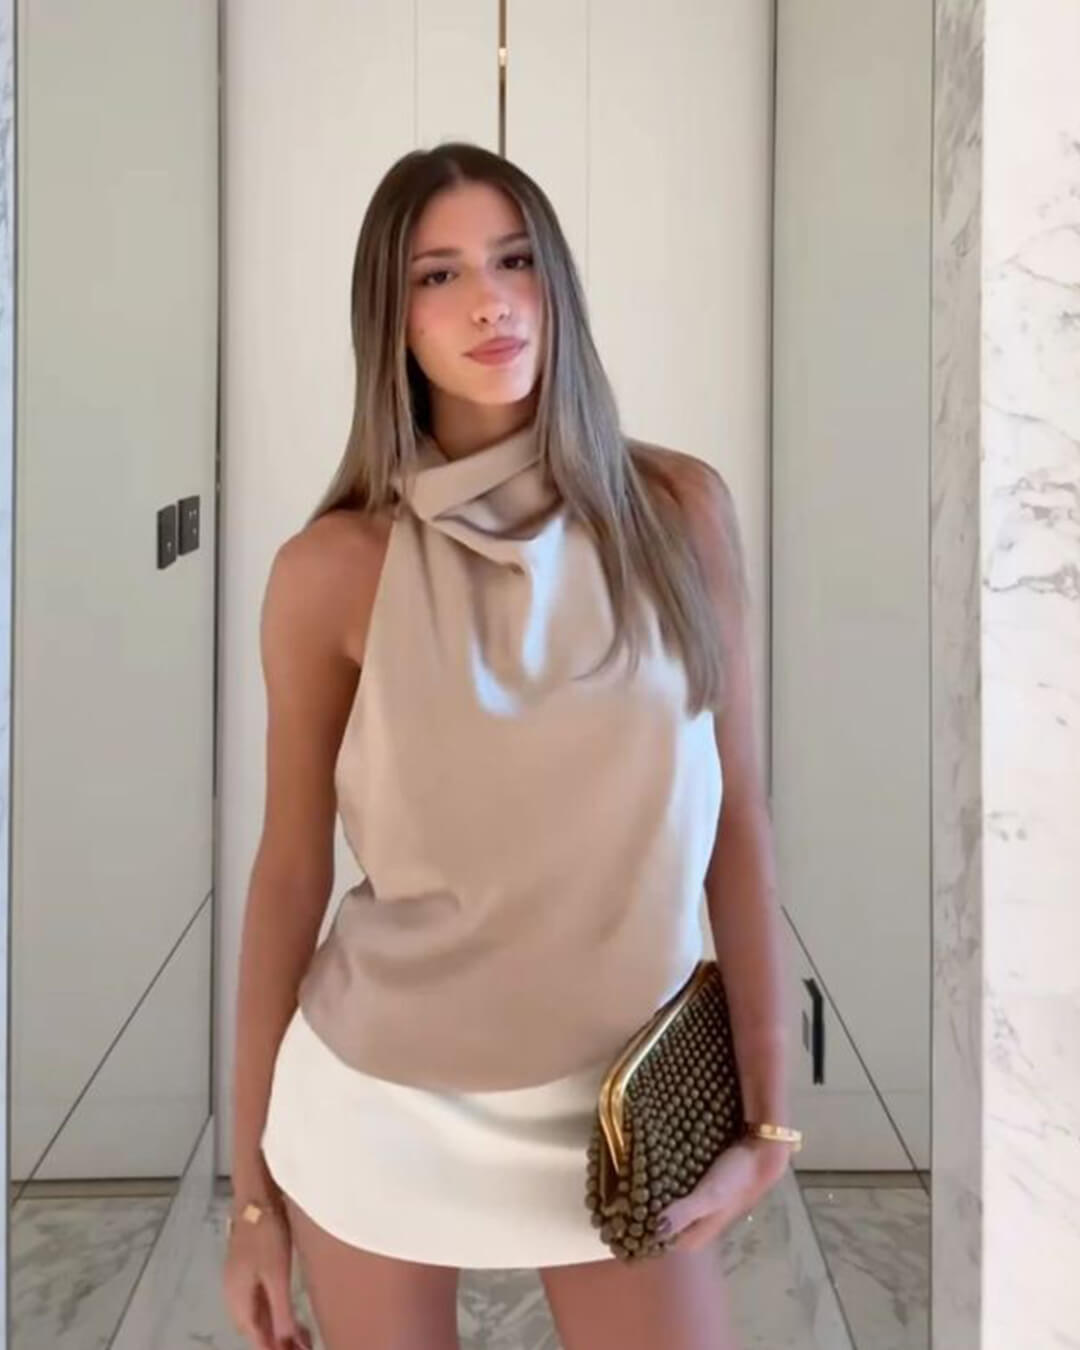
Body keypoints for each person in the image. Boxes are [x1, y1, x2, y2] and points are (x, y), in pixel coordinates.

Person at [223, 141, 796, 1350]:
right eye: (438, 276)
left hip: (623, 1106)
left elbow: (737, 821)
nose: (489, 301)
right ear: (392, 320)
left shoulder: (680, 513)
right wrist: (255, 1200)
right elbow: (289, 874)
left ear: (557, 284)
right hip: (380, 1103)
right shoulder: (334, 570)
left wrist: (770, 1118)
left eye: (515, 260)